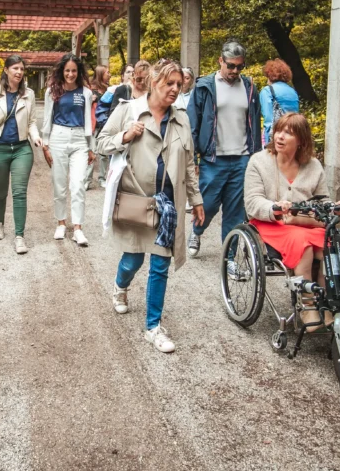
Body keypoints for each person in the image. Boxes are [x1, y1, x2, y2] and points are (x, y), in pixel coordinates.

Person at [98, 59, 205, 353]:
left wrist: (196, 199)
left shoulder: (181, 118)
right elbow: (101, 143)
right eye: (169, 83)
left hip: (167, 204)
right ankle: (120, 287)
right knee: (133, 260)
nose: (175, 89)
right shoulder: (128, 110)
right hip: (136, 199)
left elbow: (190, 164)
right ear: (154, 82)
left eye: (178, 84)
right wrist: (124, 136)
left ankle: (153, 327)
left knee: (160, 264)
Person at [243, 112, 340, 330]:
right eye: (279, 130)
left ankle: (328, 302)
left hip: (304, 222)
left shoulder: (313, 166)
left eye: (289, 133)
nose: (280, 136)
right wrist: (274, 207)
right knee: (301, 243)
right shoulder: (259, 161)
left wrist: (336, 209)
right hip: (270, 223)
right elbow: (252, 201)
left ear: (301, 140)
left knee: (333, 244)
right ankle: (308, 305)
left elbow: (323, 201)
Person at [186, 40, 262, 262]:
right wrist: (193, 160)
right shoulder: (204, 87)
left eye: (240, 66)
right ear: (220, 61)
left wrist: (256, 156)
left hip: (242, 159)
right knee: (207, 205)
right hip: (212, 158)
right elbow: (193, 125)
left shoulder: (249, 87)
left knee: (235, 212)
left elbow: (255, 122)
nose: (235, 71)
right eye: (231, 66)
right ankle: (197, 232)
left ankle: (229, 258)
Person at [0, 55, 43, 255]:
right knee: (0, 191)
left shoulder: (28, 94)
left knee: (19, 192)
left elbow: (31, 121)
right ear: (6, 70)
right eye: (15, 68)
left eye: (21, 69)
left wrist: (36, 136)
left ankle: (19, 237)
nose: (19, 72)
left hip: (22, 149)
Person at [42, 54, 95, 246]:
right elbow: (47, 118)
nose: (70, 74)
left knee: (78, 183)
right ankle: (61, 223)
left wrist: (91, 147)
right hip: (58, 136)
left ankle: (78, 228)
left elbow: (89, 121)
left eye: (74, 70)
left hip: (80, 138)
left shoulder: (86, 93)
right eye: (67, 71)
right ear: (62, 71)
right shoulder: (52, 91)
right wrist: (45, 145)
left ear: (78, 72)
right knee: (59, 183)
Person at [260, 58, 300, 145]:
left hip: (277, 136)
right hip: (292, 134)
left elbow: (268, 119)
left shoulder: (268, 91)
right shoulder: (293, 91)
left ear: (270, 75)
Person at [87, 65, 112, 189]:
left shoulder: (110, 90)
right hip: (93, 126)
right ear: (101, 74)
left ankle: (102, 178)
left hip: (105, 126)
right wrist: (89, 101)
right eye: (107, 72)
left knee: (104, 154)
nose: (110, 74)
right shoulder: (90, 90)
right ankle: (87, 180)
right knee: (91, 151)